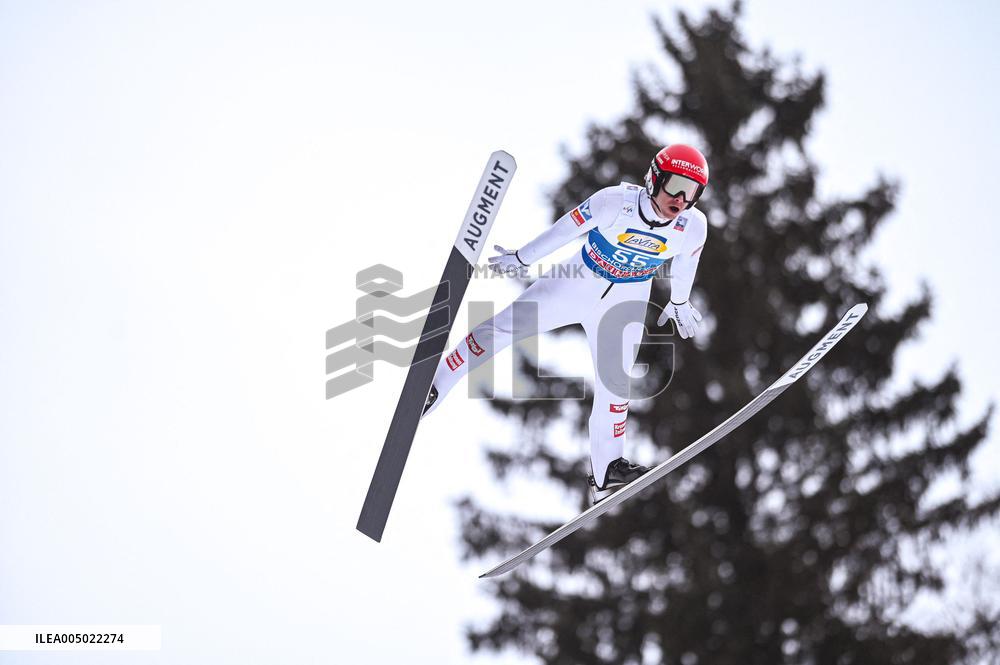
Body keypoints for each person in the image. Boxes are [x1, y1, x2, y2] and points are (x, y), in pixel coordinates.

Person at [423, 144, 710, 502]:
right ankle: (436, 382)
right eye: (675, 186)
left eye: (692, 191)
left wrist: (680, 299)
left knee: (616, 386)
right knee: (505, 326)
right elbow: (564, 230)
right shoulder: (614, 202)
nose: (681, 199)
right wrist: (522, 257)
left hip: (626, 302)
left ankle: (607, 471)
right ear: (654, 178)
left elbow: (686, 265)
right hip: (577, 282)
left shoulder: (692, 226)